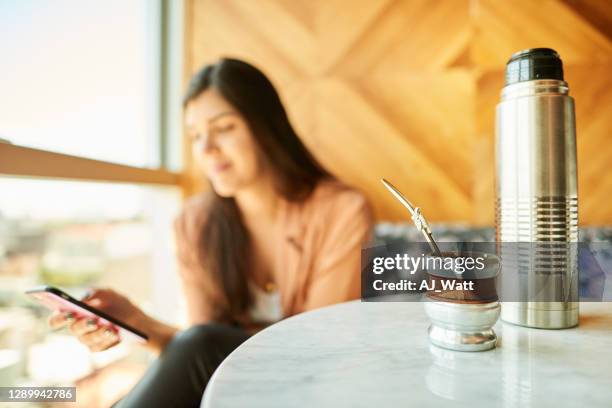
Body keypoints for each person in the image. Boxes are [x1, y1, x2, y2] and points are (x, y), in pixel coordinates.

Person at [48, 58, 373, 407]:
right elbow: (201, 355)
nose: (206, 148)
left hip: (315, 386)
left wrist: (199, 344)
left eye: (224, 128)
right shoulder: (195, 223)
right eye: (196, 136)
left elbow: (314, 348)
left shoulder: (343, 210)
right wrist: (135, 321)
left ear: (266, 127)